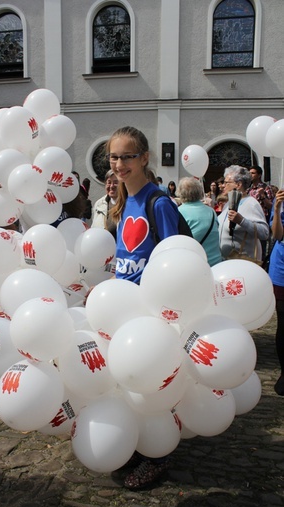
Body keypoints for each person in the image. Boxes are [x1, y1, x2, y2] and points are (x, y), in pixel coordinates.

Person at [107, 126, 179, 488]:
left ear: (145, 158)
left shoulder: (158, 202)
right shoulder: (122, 202)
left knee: (152, 386)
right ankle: (137, 445)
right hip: (123, 310)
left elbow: (173, 261)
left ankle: (158, 455)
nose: (120, 164)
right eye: (114, 157)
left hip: (149, 314)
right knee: (126, 381)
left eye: (127, 156)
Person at [218, 165, 269, 262]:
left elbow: (264, 233)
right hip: (226, 261)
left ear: (238, 184)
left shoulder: (251, 204)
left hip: (242, 262)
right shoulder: (228, 204)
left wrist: (242, 221)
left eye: (226, 182)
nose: (223, 185)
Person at [178, 177, 222, 266]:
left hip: (194, 265)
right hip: (215, 263)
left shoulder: (178, 212)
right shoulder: (211, 211)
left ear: (180, 193)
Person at [268, 188, 284, 396]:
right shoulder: (280, 202)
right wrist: (278, 207)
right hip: (281, 271)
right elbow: (277, 234)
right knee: (283, 325)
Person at [91, 170, 118, 239]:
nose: (111, 186)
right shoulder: (99, 203)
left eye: (116, 183)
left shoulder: (127, 204)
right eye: (109, 183)